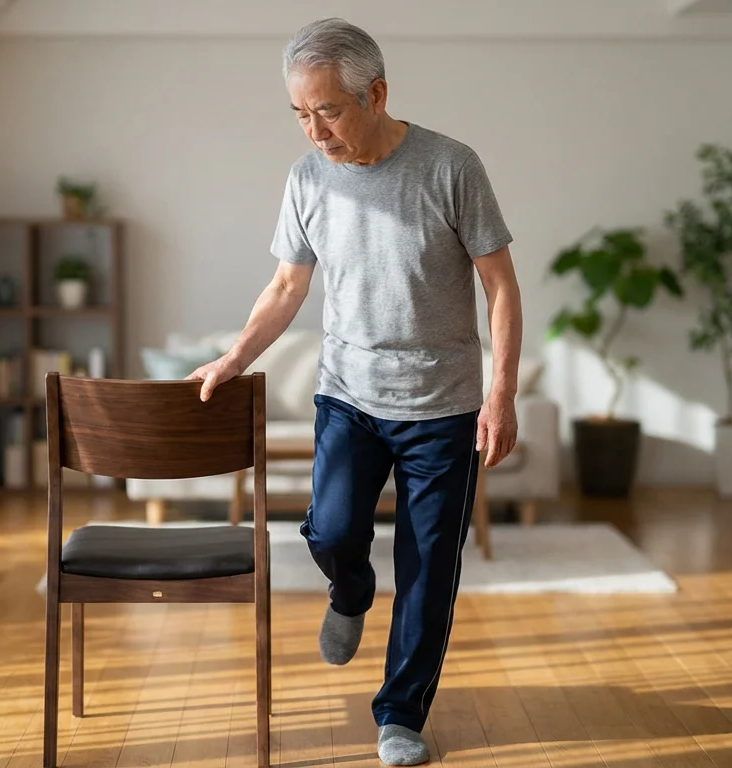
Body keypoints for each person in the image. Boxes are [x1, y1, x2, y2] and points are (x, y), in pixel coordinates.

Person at [186, 17, 523, 767]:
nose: (314, 131)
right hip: (349, 395)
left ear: (376, 93)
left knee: (431, 569)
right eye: (300, 114)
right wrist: (232, 358)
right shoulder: (308, 178)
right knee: (333, 531)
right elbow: (285, 285)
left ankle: (400, 714)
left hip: (444, 405)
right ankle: (350, 590)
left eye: (328, 111)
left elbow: (500, 288)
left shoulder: (450, 166)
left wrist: (500, 395)